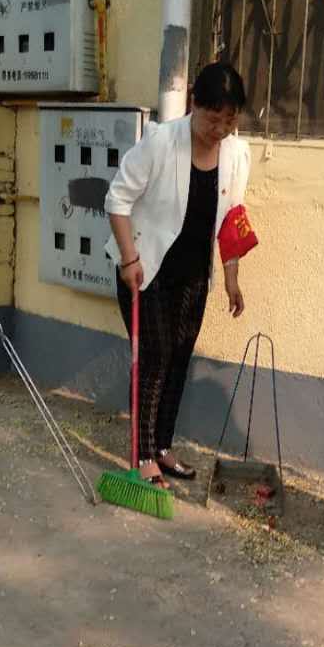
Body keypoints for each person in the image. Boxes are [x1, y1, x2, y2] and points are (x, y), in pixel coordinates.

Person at [105, 62, 252, 487]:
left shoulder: (237, 154)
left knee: (178, 359)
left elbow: (232, 218)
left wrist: (231, 277)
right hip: (145, 268)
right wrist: (129, 259)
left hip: (193, 275)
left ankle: (162, 448)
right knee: (154, 358)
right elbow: (117, 200)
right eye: (212, 118)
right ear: (194, 104)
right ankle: (142, 455)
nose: (220, 130)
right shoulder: (160, 142)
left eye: (229, 120)